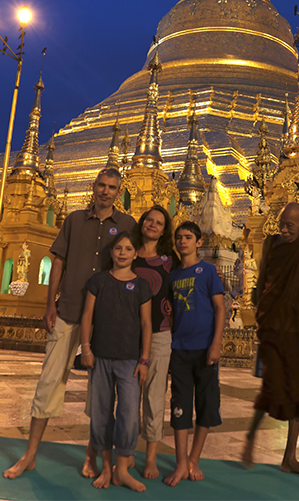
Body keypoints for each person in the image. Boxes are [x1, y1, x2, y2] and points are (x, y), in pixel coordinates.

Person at [3, 167, 136, 480]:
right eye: (101, 185)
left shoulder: (127, 224)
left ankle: (90, 457)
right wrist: (51, 303)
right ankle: (30, 455)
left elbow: (136, 266)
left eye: (112, 187)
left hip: (104, 320)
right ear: (93, 187)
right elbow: (58, 262)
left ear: (119, 192)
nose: (105, 191)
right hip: (69, 310)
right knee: (49, 382)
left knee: (100, 393)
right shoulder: (74, 220)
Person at [242, 202, 299, 478]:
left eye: (289, 226)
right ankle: (250, 438)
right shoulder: (272, 245)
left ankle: (289, 456)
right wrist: (262, 311)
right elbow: (264, 282)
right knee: (273, 385)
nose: (283, 229)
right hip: (274, 329)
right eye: (281, 224)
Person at [80, 231, 152, 492]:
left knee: (129, 413)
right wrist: (86, 348)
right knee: (100, 413)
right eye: (118, 248)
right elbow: (88, 315)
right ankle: (107, 467)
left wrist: (144, 359)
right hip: (100, 356)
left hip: (130, 360)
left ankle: (122, 469)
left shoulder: (142, 285)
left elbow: (146, 324)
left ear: (135, 254)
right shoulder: (98, 280)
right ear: (111, 252)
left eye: (128, 249)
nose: (122, 252)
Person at [164, 221, 225, 487]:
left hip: (205, 348)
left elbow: (220, 309)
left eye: (188, 237)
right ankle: (180, 463)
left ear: (198, 242)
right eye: (178, 237)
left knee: (206, 406)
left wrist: (216, 343)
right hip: (179, 349)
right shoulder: (174, 276)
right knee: (179, 407)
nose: (182, 242)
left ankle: (194, 459)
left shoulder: (208, 271)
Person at [133, 205, 175, 479]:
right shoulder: (126, 254)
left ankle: (150, 457)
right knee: (126, 398)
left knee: (154, 396)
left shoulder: (170, 261)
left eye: (159, 223)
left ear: (164, 230)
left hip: (160, 333)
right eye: (149, 220)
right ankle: (124, 452)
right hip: (128, 334)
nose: (152, 225)